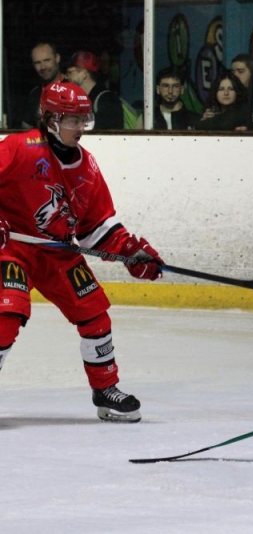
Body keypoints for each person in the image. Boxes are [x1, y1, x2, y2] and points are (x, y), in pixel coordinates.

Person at [0, 82, 164, 423]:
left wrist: (132, 253)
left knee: (94, 313)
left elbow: (96, 227)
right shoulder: (20, 148)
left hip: (58, 252)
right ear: (49, 119)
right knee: (7, 314)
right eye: (71, 120)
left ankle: (105, 390)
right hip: (13, 247)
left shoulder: (87, 167)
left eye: (82, 119)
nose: (80, 127)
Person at [65, 51, 124, 130]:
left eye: (70, 72)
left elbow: (109, 134)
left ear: (84, 74)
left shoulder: (107, 99)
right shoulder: (80, 99)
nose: (66, 76)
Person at [21, 42, 65, 129]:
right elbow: (26, 129)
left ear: (57, 58)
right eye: (38, 63)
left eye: (47, 60)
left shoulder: (74, 89)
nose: (43, 67)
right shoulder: (35, 93)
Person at [153, 66, 200, 130]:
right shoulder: (148, 118)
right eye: (166, 86)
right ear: (158, 89)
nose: (170, 91)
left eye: (175, 86)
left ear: (182, 89)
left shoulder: (195, 120)